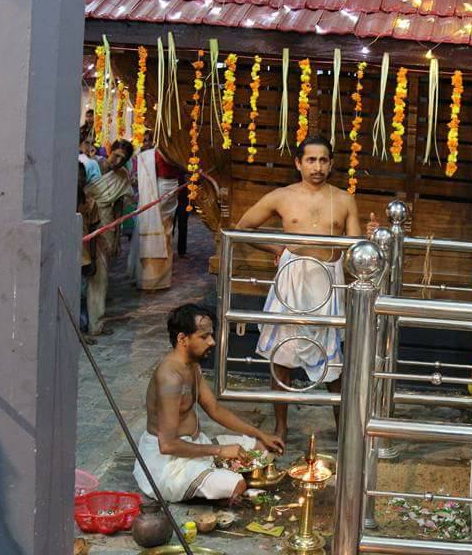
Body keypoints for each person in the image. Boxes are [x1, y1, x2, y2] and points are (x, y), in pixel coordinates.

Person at [236, 135, 377, 441]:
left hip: (329, 281)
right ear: (298, 163)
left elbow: (355, 248)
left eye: (323, 160)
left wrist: (369, 239)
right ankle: (281, 428)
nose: (317, 166)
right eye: (311, 160)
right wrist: (278, 249)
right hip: (292, 280)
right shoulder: (281, 196)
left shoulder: (343, 199)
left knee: (334, 361)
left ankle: (344, 431)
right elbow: (243, 228)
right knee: (282, 358)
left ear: (331, 164)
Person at [134, 304, 284, 503]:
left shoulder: (192, 365)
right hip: (168, 463)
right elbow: (168, 445)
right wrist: (221, 451)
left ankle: (212, 482)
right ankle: (211, 486)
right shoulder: (169, 377)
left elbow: (214, 409)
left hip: (196, 446)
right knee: (237, 484)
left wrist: (260, 434)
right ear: (182, 339)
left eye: (211, 335)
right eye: (204, 337)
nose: (212, 342)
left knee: (261, 448)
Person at [84, 139, 134, 336]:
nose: (118, 160)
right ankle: (85, 321)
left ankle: (96, 324)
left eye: (123, 158)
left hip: (106, 226)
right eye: (116, 155)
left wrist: (117, 237)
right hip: (86, 221)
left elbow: (119, 208)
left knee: (101, 276)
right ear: (110, 151)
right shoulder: (92, 166)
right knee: (86, 271)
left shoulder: (121, 176)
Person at [130, 132, 179, 290]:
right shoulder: (156, 153)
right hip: (159, 188)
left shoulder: (173, 151)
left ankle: (160, 279)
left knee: (165, 231)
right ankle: (149, 278)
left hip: (168, 189)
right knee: (157, 227)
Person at [78, 163, 100, 333]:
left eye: (82, 176)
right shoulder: (60, 202)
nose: (79, 180)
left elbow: (94, 232)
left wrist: (93, 258)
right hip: (65, 257)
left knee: (81, 295)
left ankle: (82, 329)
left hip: (83, 256)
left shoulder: (90, 204)